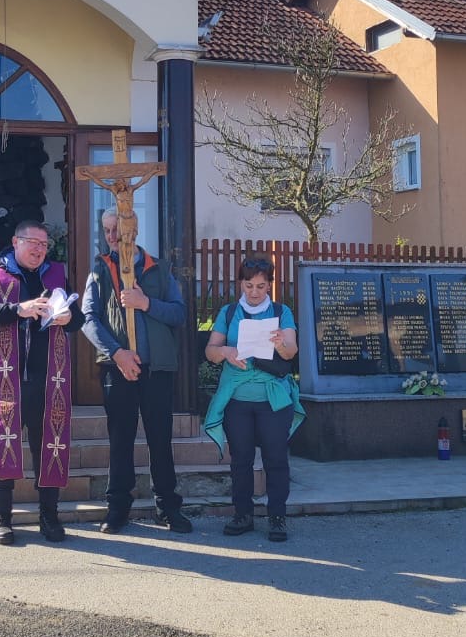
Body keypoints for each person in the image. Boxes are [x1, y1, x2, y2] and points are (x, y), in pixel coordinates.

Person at [0, 220, 83, 544]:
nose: (39, 250)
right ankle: (1, 518)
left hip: (48, 378)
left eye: (44, 245)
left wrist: (68, 317)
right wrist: (19, 309)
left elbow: (77, 318)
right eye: (33, 242)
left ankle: (49, 516)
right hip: (4, 376)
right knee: (2, 445)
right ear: (16, 242)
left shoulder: (55, 275)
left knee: (49, 445)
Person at [81, 209, 192, 534]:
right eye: (106, 230)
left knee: (160, 439)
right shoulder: (100, 269)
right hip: (118, 368)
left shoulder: (159, 269)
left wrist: (146, 304)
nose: (111, 236)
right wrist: (118, 354)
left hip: (157, 369)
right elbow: (88, 319)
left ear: (134, 229)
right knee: (120, 439)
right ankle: (117, 509)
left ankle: (168, 508)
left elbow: (179, 314)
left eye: (117, 229)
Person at [202, 255, 303, 542]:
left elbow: (291, 352)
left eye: (260, 286)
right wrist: (225, 352)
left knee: (276, 458)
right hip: (237, 399)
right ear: (241, 284)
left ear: (270, 285)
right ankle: (242, 514)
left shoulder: (282, 312)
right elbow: (210, 350)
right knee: (241, 459)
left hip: (273, 399)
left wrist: (280, 343)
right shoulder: (229, 312)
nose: (254, 292)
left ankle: (277, 517)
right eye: (249, 286)